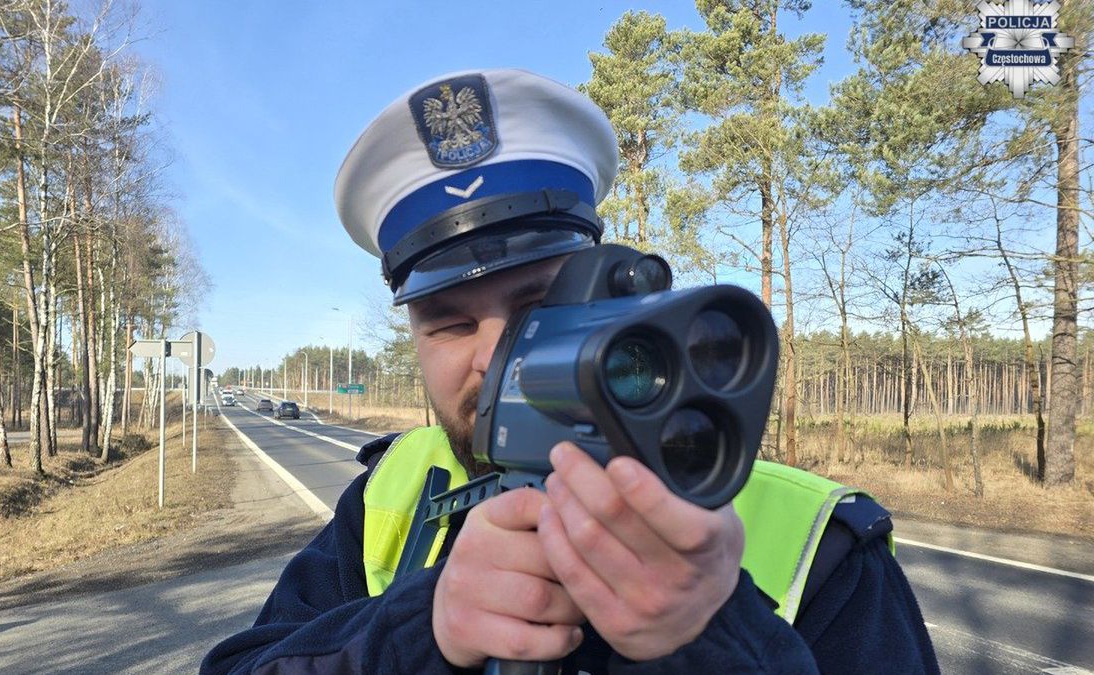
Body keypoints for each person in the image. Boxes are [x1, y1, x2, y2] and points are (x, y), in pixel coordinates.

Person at [202, 68, 939, 674]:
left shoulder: (821, 545)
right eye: (451, 322)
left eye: (535, 302)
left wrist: (712, 635)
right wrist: (419, 629)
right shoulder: (389, 498)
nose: (492, 355)